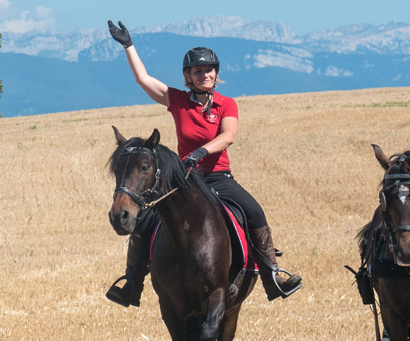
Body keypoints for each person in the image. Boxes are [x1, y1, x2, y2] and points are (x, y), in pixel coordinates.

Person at [104, 20, 303, 306]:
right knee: (145, 221)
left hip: (218, 177)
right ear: (188, 76)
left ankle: (273, 275)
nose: (204, 74)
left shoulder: (226, 104)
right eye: (197, 71)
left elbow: (229, 136)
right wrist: (128, 45)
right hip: (184, 181)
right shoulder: (177, 101)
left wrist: (201, 152)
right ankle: (132, 283)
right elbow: (144, 79)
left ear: (216, 73)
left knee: (255, 212)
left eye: (209, 69)